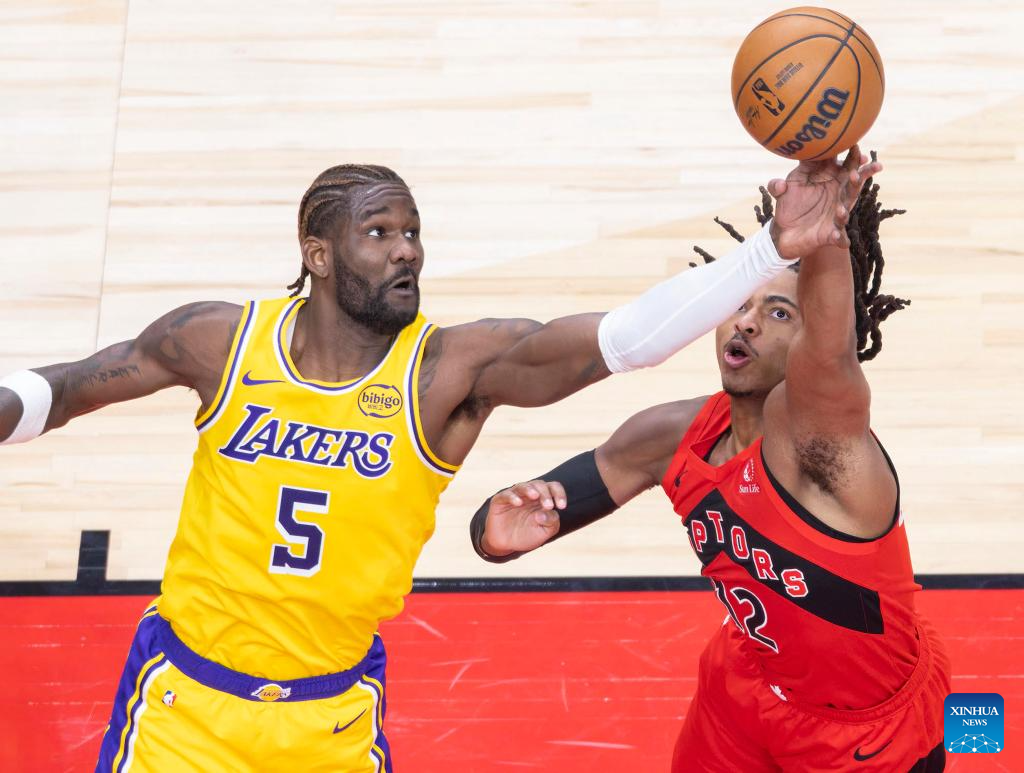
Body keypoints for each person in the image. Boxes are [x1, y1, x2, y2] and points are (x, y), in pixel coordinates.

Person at [1, 161, 859, 772]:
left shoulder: (449, 371)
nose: (406, 249)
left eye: (412, 232)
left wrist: (768, 249)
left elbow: (624, 340)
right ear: (318, 254)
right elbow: (64, 389)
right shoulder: (221, 341)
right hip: (182, 707)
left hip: (328, 722)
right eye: (379, 232)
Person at [472, 150, 950, 772]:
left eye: (778, 312)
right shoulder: (672, 434)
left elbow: (830, 360)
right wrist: (495, 535)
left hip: (863, 732)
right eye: (740, 305)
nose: (745, 324)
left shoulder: (826, 449)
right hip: (745, 686)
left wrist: (826, 239)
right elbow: (559, 499)